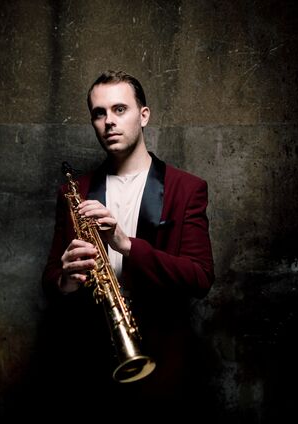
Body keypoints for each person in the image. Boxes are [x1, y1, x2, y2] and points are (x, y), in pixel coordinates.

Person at [39, 70, 215, 419]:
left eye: (120, 109)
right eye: (99, 113)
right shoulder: (74, 192)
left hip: (163, 362)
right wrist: (66, 281)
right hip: (89, 364)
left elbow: (200, 277)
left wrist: (127, 245)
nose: (109, 121)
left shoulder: (187, 188)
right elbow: (50, 278)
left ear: (143, 115)